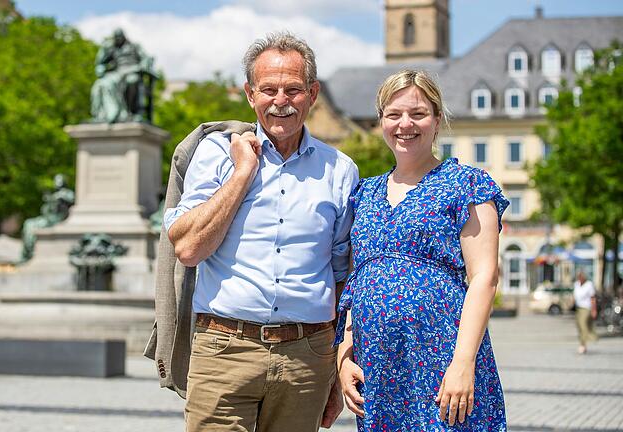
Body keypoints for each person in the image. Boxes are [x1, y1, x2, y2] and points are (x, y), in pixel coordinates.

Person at [162, 32, 359, 431]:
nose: (280, 101)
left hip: (308, 355)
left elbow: (342, 276)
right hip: (226, 349)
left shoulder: (340, 169)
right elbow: (187, 248)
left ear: (313, 93)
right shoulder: (217, 153)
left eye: (293, 90)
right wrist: (242, 174)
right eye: (268, 89)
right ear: (251, 94)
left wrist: (337, 365)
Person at [336, 70, 508, 430]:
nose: (405, 125)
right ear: (381, 120)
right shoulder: (364, 194)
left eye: (418, 114)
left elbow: (484, 277)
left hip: (442, 358)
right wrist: (344, 353)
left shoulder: (466, 184)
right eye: (393, 114)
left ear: (437, 119)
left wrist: (463, 362)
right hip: (379, 366)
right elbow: (357, 280)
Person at [573, 271, 597, 354]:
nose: (580, 278)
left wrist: (594, 310)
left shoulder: (589, 285)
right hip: (578, 308)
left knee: (583, 325)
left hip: (586, 308)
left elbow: (593, 298)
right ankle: (583, 344)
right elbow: (575, 295)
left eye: (581, 277)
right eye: (579, 277)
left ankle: (582, 345)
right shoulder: (576, 284)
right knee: (579, 326)